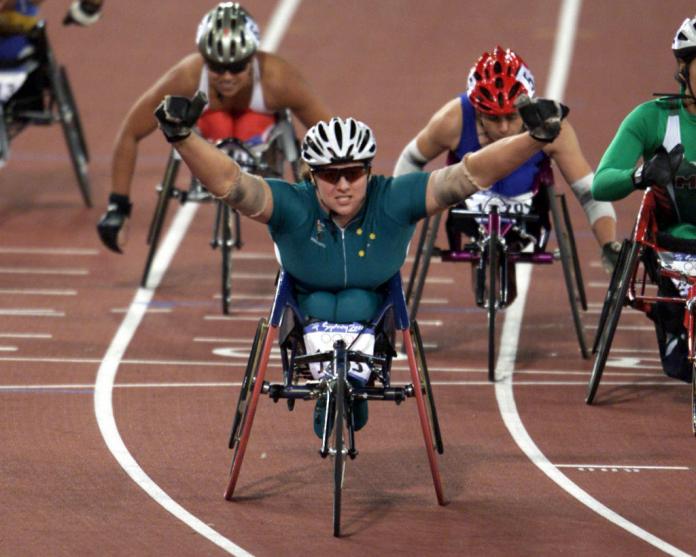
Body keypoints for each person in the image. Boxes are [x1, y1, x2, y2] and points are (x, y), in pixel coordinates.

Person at [151, 89, 570, 435]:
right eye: (331, 175)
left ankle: (353, 383)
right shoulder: (292, 205)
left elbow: (468, 175)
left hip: (374, 308)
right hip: (306, 305)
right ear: (311, 176)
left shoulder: (393, 198)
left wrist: (535, 138)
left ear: (369, 171)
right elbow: (232, 183)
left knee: (354, 302)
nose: (344, 185)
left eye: (353, 172)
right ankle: (329, 389)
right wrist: (182, 136)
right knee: (331, 303)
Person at [96, 1, 331, 253]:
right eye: (217, 67)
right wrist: (118, 207)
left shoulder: (279, 79)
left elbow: (329, 136)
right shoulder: (188, 75)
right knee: (214, 120)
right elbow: (131, 132)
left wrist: (318, 196)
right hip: (211, 139)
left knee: (248, 122)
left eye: (237, 66)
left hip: (261, 142)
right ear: (204, 60)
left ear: (252, 58)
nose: (227, 77)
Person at [393, 46, 620, 275]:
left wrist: (609, 244)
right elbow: (411, 159)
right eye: (493, 118)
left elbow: (590, 193)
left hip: (527, 211)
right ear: (477, 110)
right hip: (469, 208)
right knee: (488, 276)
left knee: (506, 289)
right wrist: (396, 214)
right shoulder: (452, 120)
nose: (503, 128)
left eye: (512, 117)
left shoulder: (551, 125)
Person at [591, 16, 696, 383]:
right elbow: (601, 183)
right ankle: (673, 328)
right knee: (680, 366)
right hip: (672, 247)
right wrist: (641, 175)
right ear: (684, 68)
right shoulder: (653, 119)